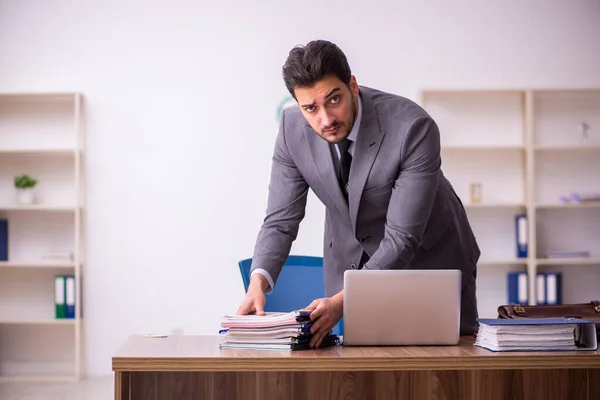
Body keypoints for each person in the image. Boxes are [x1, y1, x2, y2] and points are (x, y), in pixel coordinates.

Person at [236, 39, 480, 348]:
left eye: (333, 99)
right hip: (353, 263)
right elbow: (280, 220)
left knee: (441, 367)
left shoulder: (412, 128)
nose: (325, 119)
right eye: (310, 108)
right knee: (358, 368)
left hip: (428, 262)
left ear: (352, 85)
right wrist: (257, 283)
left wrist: (344, 299)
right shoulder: (291, 129)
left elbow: (402, 238)